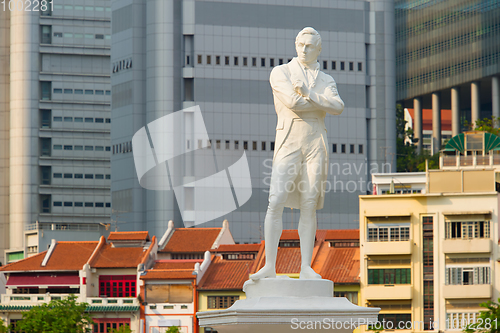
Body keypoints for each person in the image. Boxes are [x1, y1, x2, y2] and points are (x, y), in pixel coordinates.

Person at [250, 27, 344, 280]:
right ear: (295, 44)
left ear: (318, 49)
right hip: (289, 138)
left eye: (310, 46)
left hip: (316, 142)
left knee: (309, 204)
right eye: (301, 44)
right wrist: (318, 102)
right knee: (276, 199)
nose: (304, 49)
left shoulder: (326, 80)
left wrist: (309, 94)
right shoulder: (280, 72)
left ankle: (305, 267)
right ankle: (270, 265)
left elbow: (338, 107)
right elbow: (292, 103)